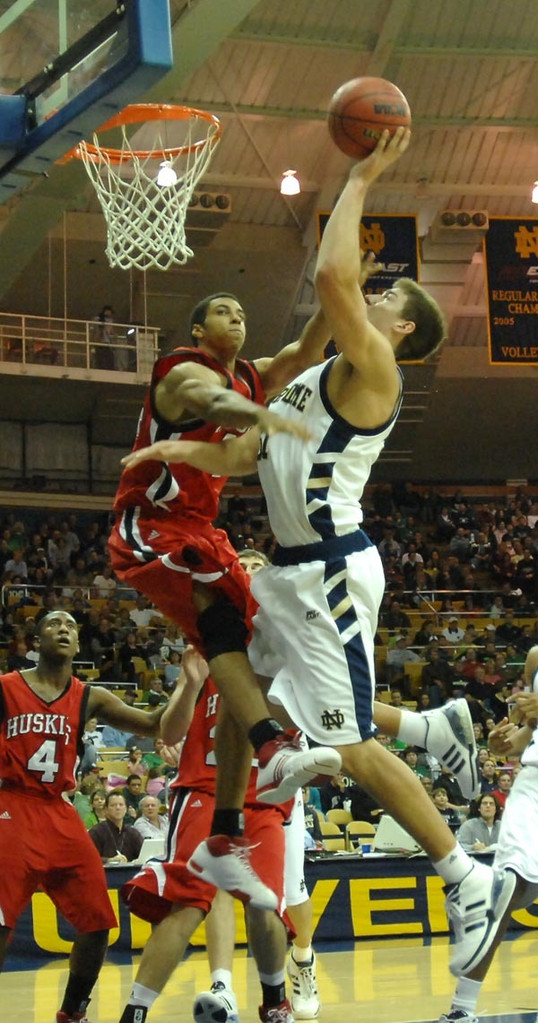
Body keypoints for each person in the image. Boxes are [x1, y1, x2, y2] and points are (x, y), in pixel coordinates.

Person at [125, 130, 516, 979]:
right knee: (235, 672)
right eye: (374, 291)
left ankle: (466, 877)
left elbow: (335, 277)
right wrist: (181, 453)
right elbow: (246, 458)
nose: (368, 296)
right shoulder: (313, 375)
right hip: (290, 569)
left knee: (352, 749)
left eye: (385, 294)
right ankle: (227, 832)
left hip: (332, 572)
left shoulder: (375, 365)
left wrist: (366, 173)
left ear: (400, 323)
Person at [110, 268, 343, 909]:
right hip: (151, 525)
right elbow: (215, 405)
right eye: (224, 309)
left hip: (199, 528)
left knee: (254, 639)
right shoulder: (180, 372)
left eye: (243, 310)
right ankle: (272, 745)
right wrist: (265, 418)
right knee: (224, 629)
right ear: (198, 329)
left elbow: (304, 351)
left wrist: (334, 291)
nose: (237, 316)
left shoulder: (249, 370)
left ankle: (224, 835)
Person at [0, 610, 167, 1023]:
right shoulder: (5, 688)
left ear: (77, 644)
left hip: (58, 810)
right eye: (53, 624)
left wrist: (194, 681)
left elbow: (151, 723)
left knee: (98, 922)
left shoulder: (89, 696)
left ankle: (73, 1011)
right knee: (1, 922)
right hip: (11, 804)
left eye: (72, 626)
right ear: (36, 642)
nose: (63, 629)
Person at [117, 647, 296, 1023]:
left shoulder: (286, 654)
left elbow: (297, 724)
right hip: (204, 789)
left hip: (262, 796)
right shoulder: (208, 653)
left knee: (266, 904)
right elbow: (170, 731)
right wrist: (192, 683)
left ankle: (275, 1002)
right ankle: (135, 1011)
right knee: (187, 902)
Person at [439, 645, 538, 1023]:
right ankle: (463, 1009)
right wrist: (507, 745)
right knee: (506, 888)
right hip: (533, 782)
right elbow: (528, 730)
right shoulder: (535, 657)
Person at [89, 791, 144, 863]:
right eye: (113, 805)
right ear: (106, 809)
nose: (118, 808)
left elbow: (144, 855)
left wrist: (139, 860)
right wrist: (108, 860)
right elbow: (87, 857)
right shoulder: (96, 832)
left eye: (121, 805)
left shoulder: (133, 832)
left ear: (126, 809)